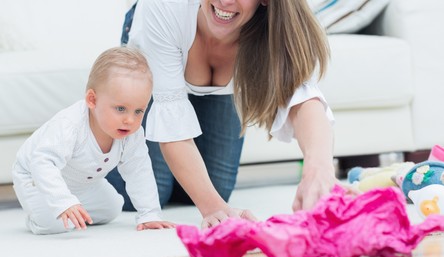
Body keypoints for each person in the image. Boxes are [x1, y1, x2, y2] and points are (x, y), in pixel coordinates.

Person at [106, 0, 337, 228]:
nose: (225, 1)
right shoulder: (164, 7)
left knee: (217, 187)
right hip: (160, 41)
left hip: (215, 79)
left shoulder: (279, 24)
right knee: (147, 192)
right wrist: (213, 208)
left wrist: (318, 170)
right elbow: (173, 127)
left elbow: (303, 101)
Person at [12, 47, 175, 235]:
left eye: (139, 111)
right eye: (121, 109)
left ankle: (75, 208)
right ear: (92, 100)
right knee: (54, 225)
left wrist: (150, 214)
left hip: (83, 183)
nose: (130, 120)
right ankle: (37, 217)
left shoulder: (132, 133)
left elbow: (139, 170)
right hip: (36, 176)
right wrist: (64, 202)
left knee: (113, 208)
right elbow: (42, 162)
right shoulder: (70, 125)